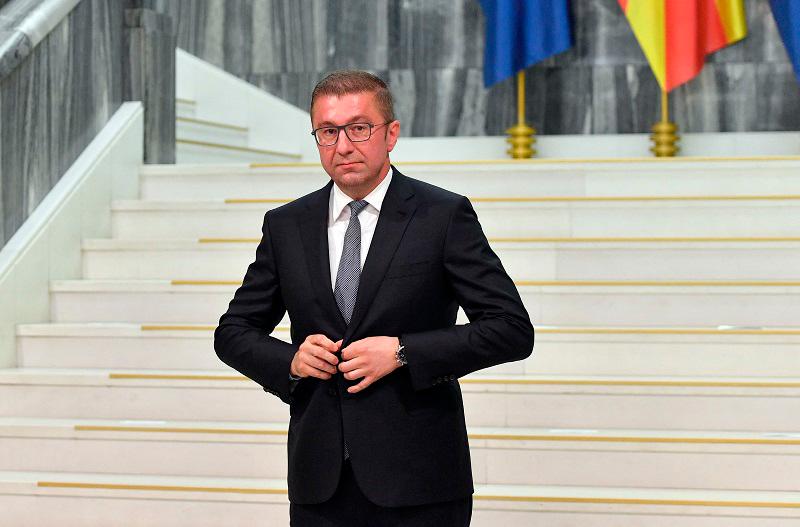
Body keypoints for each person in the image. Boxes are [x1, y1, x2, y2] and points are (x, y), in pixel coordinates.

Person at [214, 70, 534, 526]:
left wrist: (403, 352)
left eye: (359, 128)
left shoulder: (442, 215)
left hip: (420, 483)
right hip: (318, 484)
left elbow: (511, 329)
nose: (343, 145)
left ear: (391, 134)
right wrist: (291, 361)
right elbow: (233, 332)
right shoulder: (286, 225)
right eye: (328, 131)